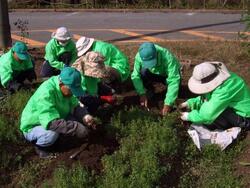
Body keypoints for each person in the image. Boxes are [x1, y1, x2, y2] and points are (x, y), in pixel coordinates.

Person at [20, 67, 96, 158]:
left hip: (57, 115)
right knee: (51, 134)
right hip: (34, 125)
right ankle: (40, 148)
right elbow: (51, 123)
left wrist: (85, 116)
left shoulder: (66, 87)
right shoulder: (46, 93)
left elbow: (75, 105)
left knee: (78, 122)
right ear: (61, 84)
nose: (73, 93)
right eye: (71, 90)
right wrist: (76, 128)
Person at [179, 61, 250, 130]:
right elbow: (209, 97)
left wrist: (188, 116)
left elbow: (207, 114)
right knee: (213, 111)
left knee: (211, 118)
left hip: (245, 118)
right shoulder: (222, 81)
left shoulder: (225, 89)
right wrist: (190, 103)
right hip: (234, 109)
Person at [131, 42, 181, 115]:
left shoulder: (167, 57)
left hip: (166, 76)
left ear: (156, 54)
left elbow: (173, 80)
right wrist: (141, 93)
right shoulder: (139, 56)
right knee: (143, 71)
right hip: (152, 73)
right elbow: (135, 75)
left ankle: (169, 95)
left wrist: (168, 103)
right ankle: (150, 89)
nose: (150, 65)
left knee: (175, 88)